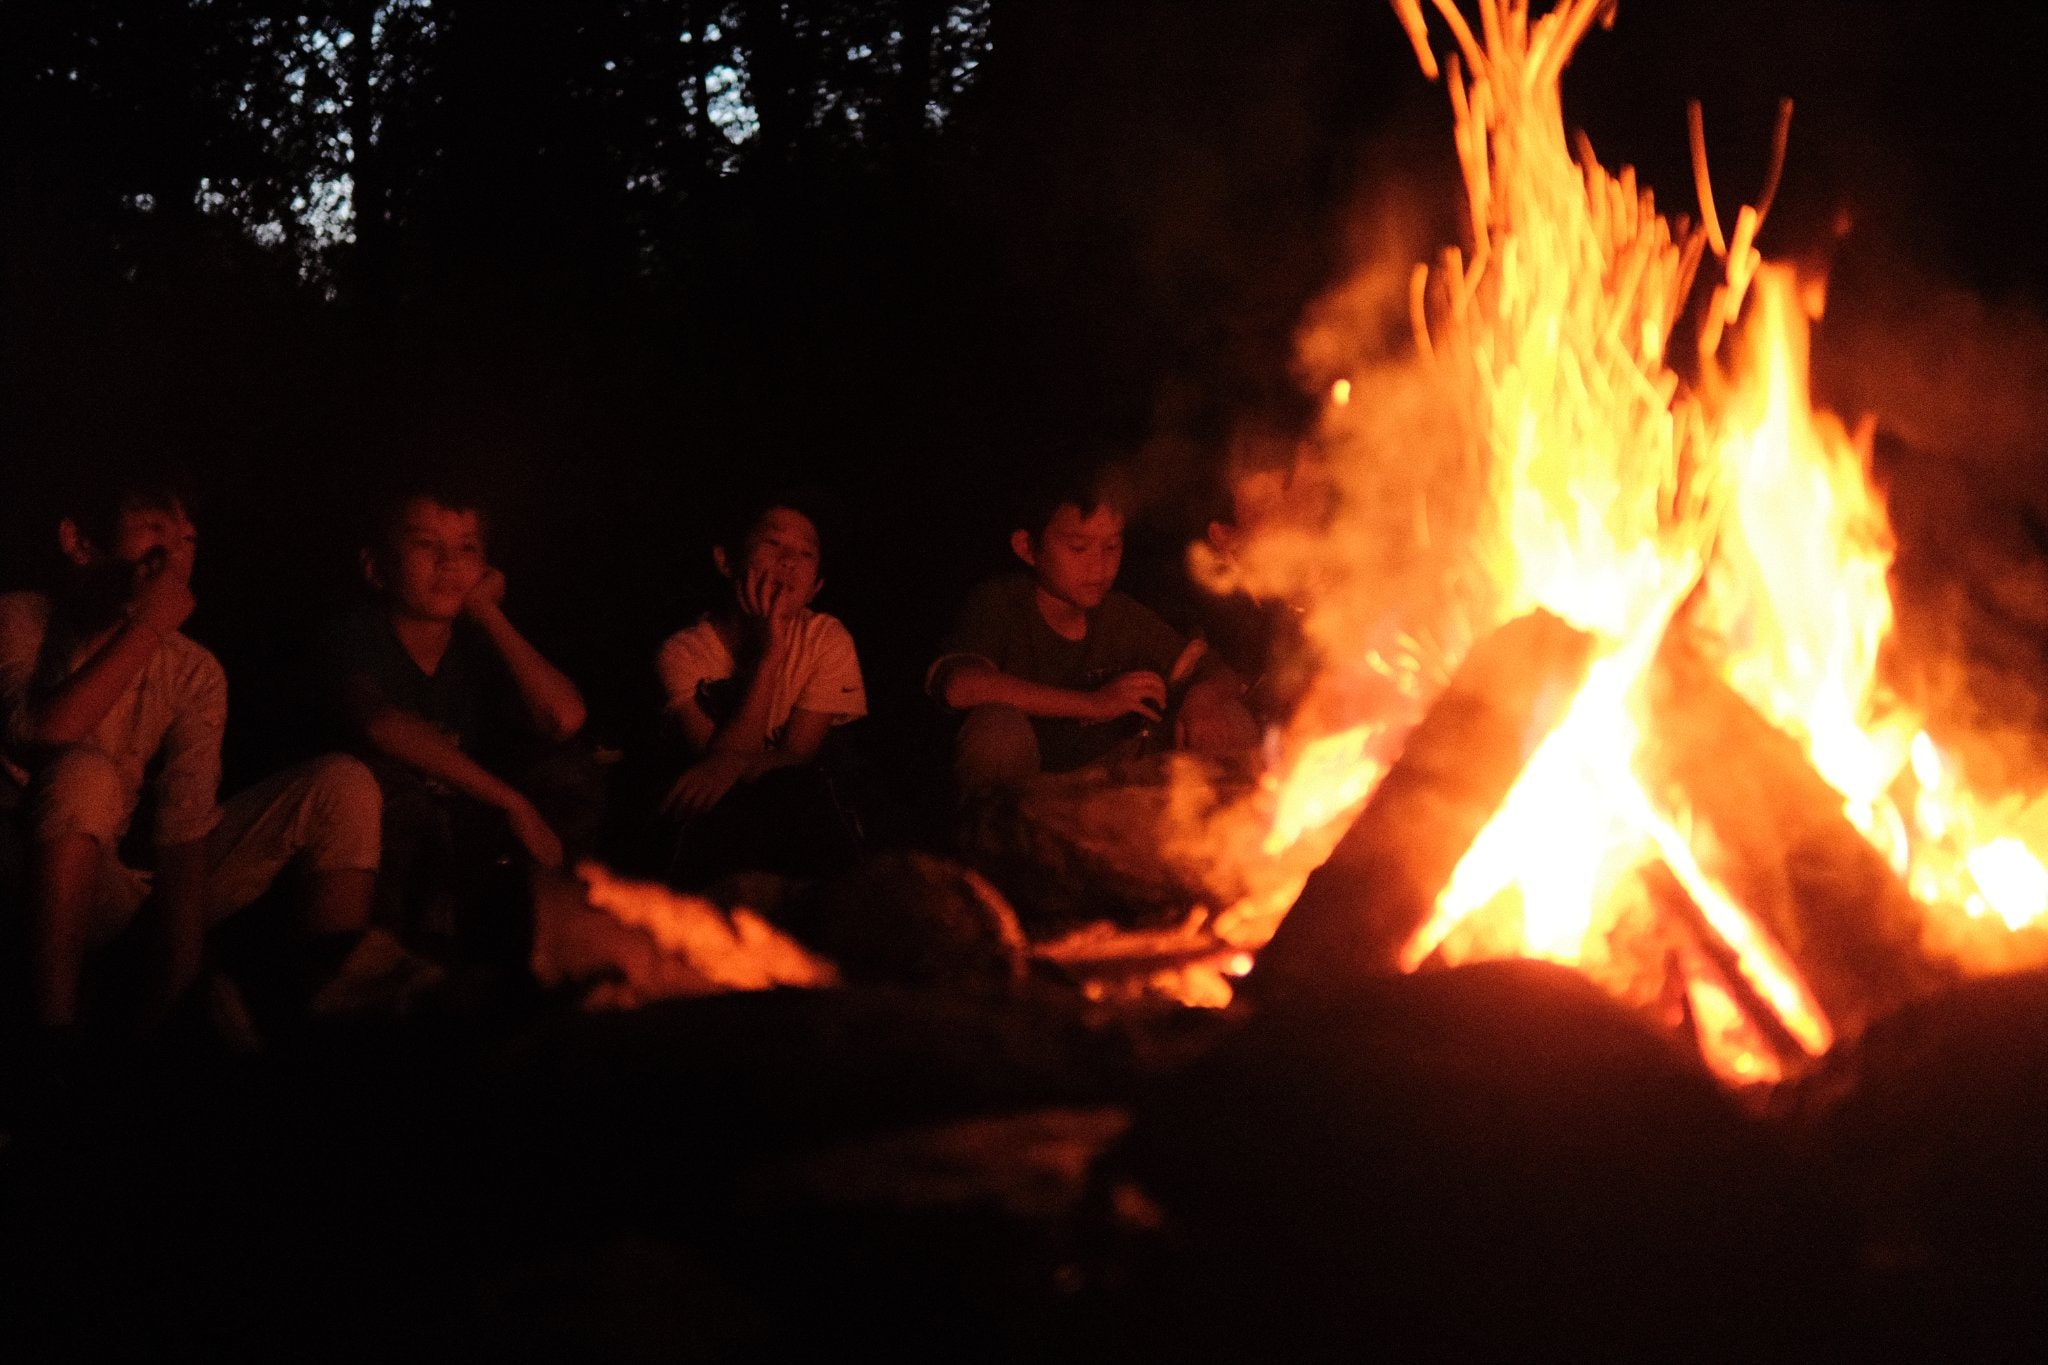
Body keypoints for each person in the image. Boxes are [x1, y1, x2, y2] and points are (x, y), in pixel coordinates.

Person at [0, 463, 383, 1034]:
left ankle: (331, 1030)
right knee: (85, 773)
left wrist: (178, 978)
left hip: (115, 889)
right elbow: (44, 730)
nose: (174, 555)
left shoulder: (193, 671)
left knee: (343, 785)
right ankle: (53, 1036)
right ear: (79, 542)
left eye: (187, 539)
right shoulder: (20, 617)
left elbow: (184, 828)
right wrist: (143, 626)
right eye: (153, 529)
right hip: (28, 873)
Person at [314, 480, 601, 950]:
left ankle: (557, 944)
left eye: (467, 548)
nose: (449, 563)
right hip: (387, 837)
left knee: (571, 770)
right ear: (376, 567)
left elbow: (564, 718)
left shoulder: (477, 645)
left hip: (465, 825)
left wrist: (488, 613)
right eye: (426, 544)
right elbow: (382, 725)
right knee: (392, 787)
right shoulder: (356, 635)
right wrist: (512, 803)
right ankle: (393, 959)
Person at [928, 468, 1262, 794]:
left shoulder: (1120, 615)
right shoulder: (1002, 604)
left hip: (1114, 776)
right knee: (997, 730)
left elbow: (1217, 671)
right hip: (1034, 782)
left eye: (1111, 546)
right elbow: (960, 686)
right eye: (1078, 548)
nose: (1099, 566)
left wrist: (1202, 701)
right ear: (1027, 547)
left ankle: (1222, 824)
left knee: (1225, 717)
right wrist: (1095, 703)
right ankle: (995, 826)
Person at [655, 498, 867, 883]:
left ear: (815, 588)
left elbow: (796, 755)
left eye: (805, 553)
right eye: (773, 543)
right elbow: (710, 772)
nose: (789, 561)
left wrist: (732, 763)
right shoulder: (684, 653)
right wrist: (770, 656)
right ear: (726, 561)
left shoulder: (826, 639)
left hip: (793, 810)